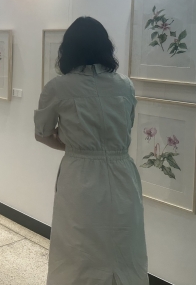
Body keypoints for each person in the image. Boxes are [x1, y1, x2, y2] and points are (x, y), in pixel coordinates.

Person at [34, 16, 148, 285]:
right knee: (125, 248)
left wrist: (74, 145)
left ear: (68, 49)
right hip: (123, 174)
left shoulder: (58, 87)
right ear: (106, 47)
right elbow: (127, 126)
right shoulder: (125, 85)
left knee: (78, 251)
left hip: (80, 175)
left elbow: (42, 133)